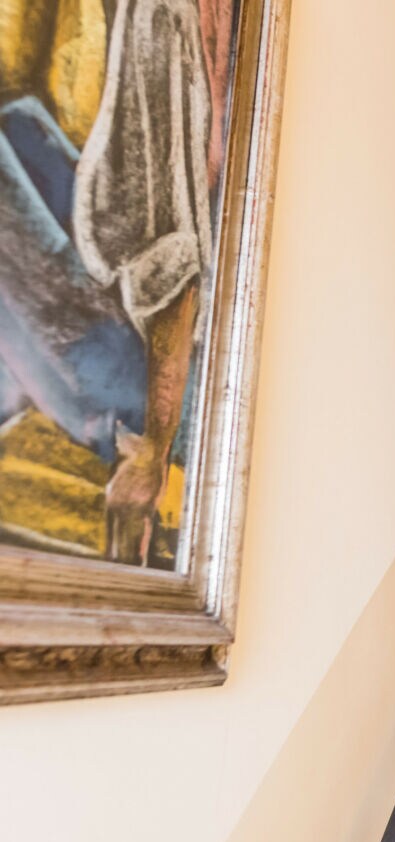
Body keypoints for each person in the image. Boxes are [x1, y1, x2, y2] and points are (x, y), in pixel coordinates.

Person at [0, 0, 216, 565]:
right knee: (18, 122)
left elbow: (176, 273)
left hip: (155, 385)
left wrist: (151, 458)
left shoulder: (160, 16)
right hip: (160, 345)